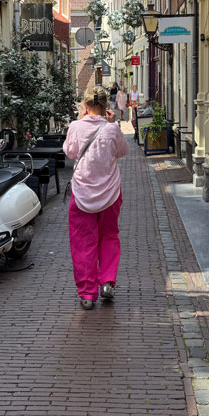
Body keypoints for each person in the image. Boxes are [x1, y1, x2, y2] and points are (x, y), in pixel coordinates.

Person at [63, 86, 129, 310]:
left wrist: (81, 124)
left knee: (83, 241)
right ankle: (107, 282)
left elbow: (70, 153)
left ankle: (87, 293)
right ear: (105, 106)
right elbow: (122, 151)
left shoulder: (75, 127)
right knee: (109, 236)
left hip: (82, 193)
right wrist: (110, 125)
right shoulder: (112, 129)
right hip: (110, 193)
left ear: (85, 105)